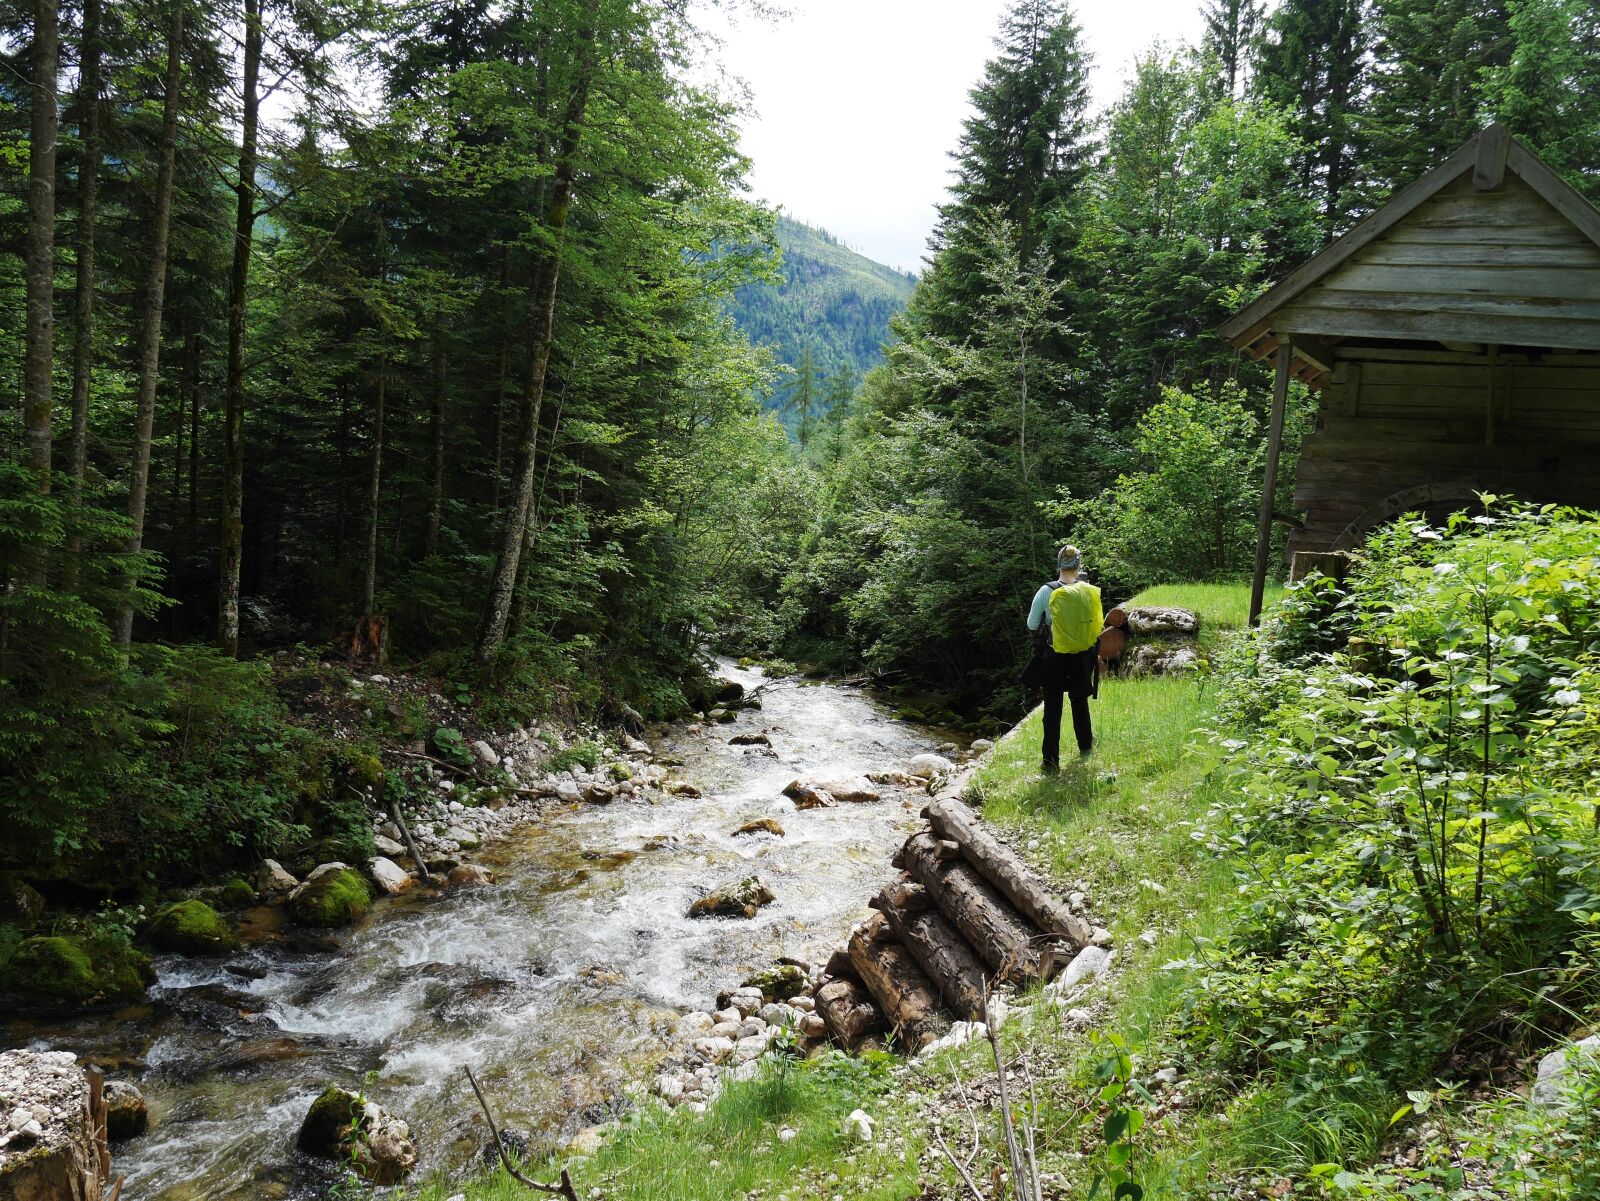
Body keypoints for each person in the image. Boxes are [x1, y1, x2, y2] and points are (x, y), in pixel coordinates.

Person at [1025, 544, 1102, 771]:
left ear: (1059, 564)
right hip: (1081, 656)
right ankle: (1086, 747)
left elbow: (1031, 624)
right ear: (1079, 565)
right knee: (1079, 701)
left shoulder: (1046, 590)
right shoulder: (1087, 590)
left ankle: (1050, 762)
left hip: (1054, 657)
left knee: (1053, 709)